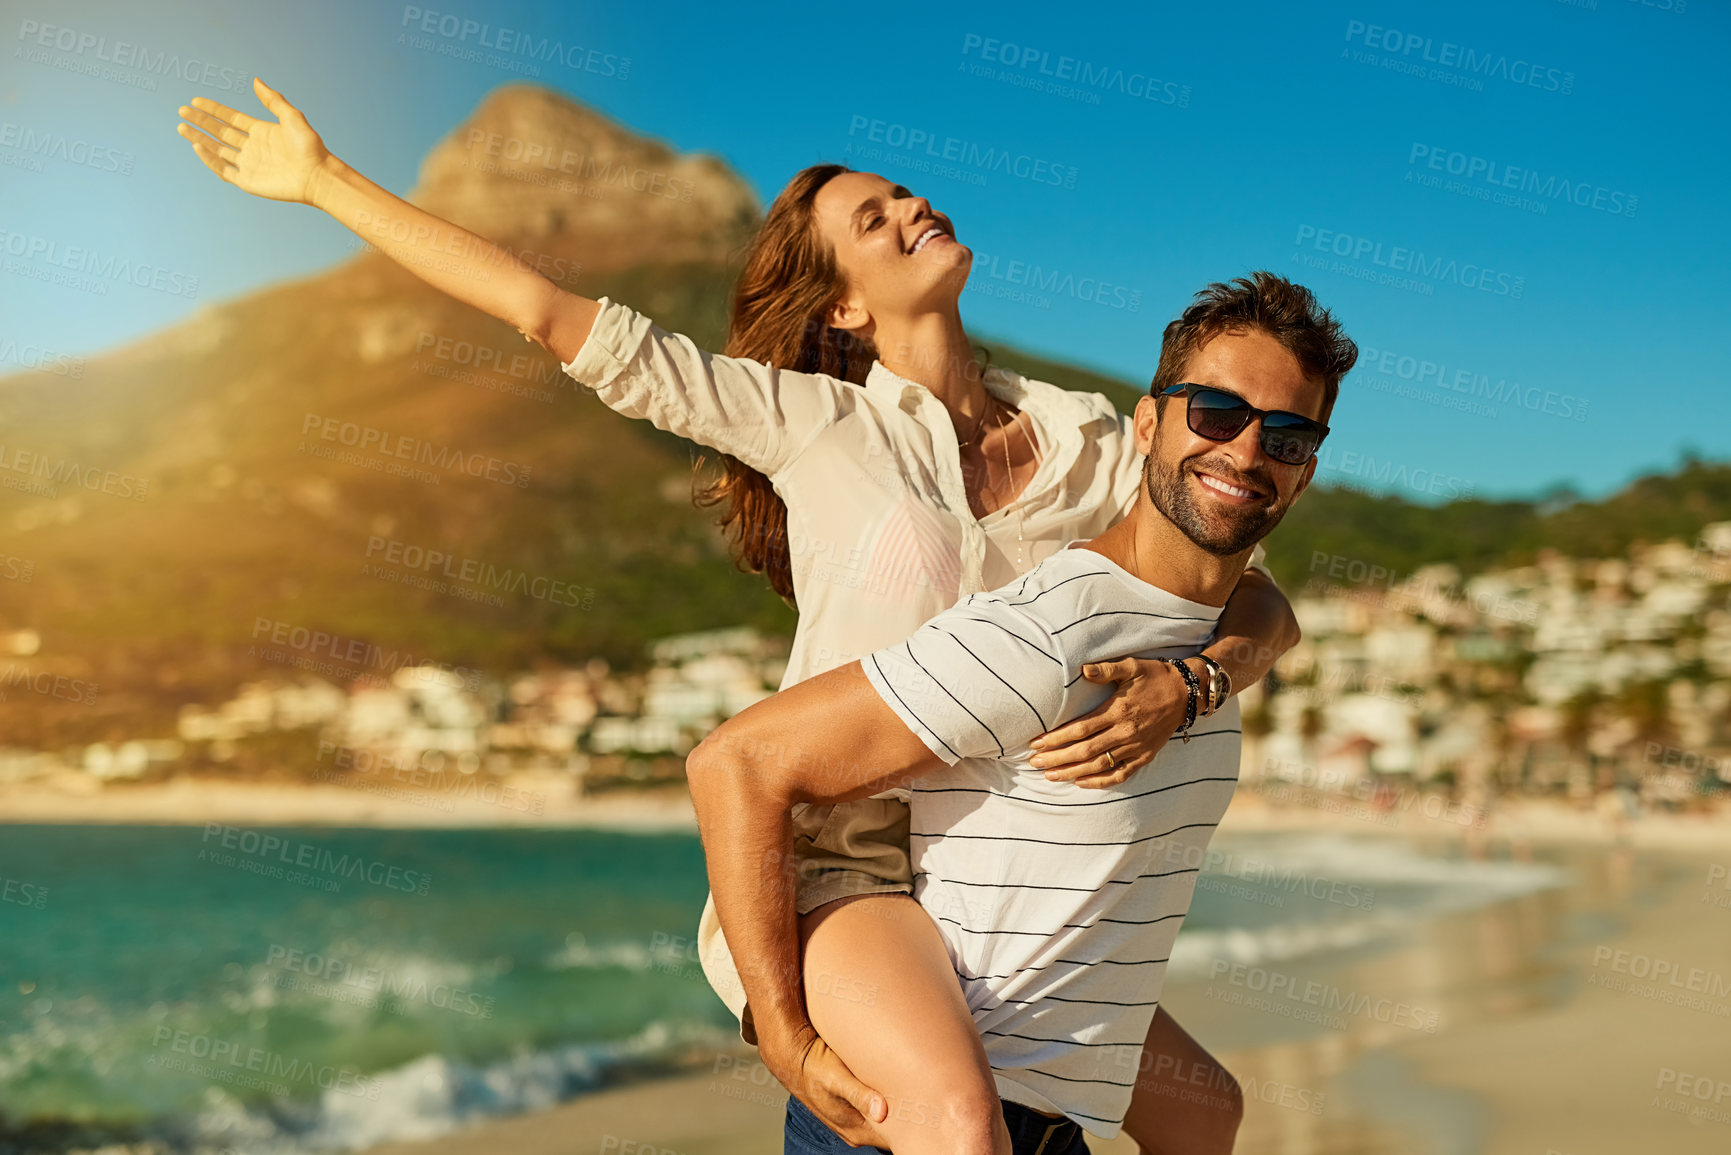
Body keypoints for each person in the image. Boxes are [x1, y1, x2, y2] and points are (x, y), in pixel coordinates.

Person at [175, 80, 1302, 1151]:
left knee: (1202, 1113)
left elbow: (1258, 599)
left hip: (1007, 859)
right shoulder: (812, 424)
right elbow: (545, 312)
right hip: (855, 848)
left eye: (908, 192)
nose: (912, 204)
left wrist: (1194, 682)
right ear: (847, 307)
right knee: (960, 1120)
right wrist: (323, 180)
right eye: (873, 217)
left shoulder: (1090, 437)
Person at [688, 271, 1354, 1153]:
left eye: (1287, 433)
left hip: (1044, 1127)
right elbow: (736, 763)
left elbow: (1271, 615)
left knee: (1207, 1110)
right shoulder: (1053, 628)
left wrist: (1202, 679)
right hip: (922, 1123)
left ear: (1305, 469)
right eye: (1216, 413)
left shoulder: (1216, 640)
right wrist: (780, 1030)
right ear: (1148, 424)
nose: (1246, 451)